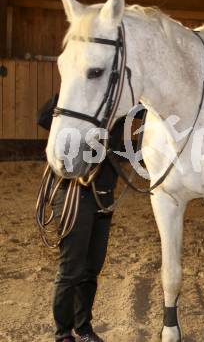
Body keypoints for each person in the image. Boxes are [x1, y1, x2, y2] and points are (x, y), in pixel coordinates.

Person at [37, 96, 141, 342]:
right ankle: (63, 333)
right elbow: (43, 118)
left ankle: (83, 328)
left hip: (104, 193)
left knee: (92, 267)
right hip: (74, 191)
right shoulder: (77, 100)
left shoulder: (120, 110)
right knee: (71, 268)